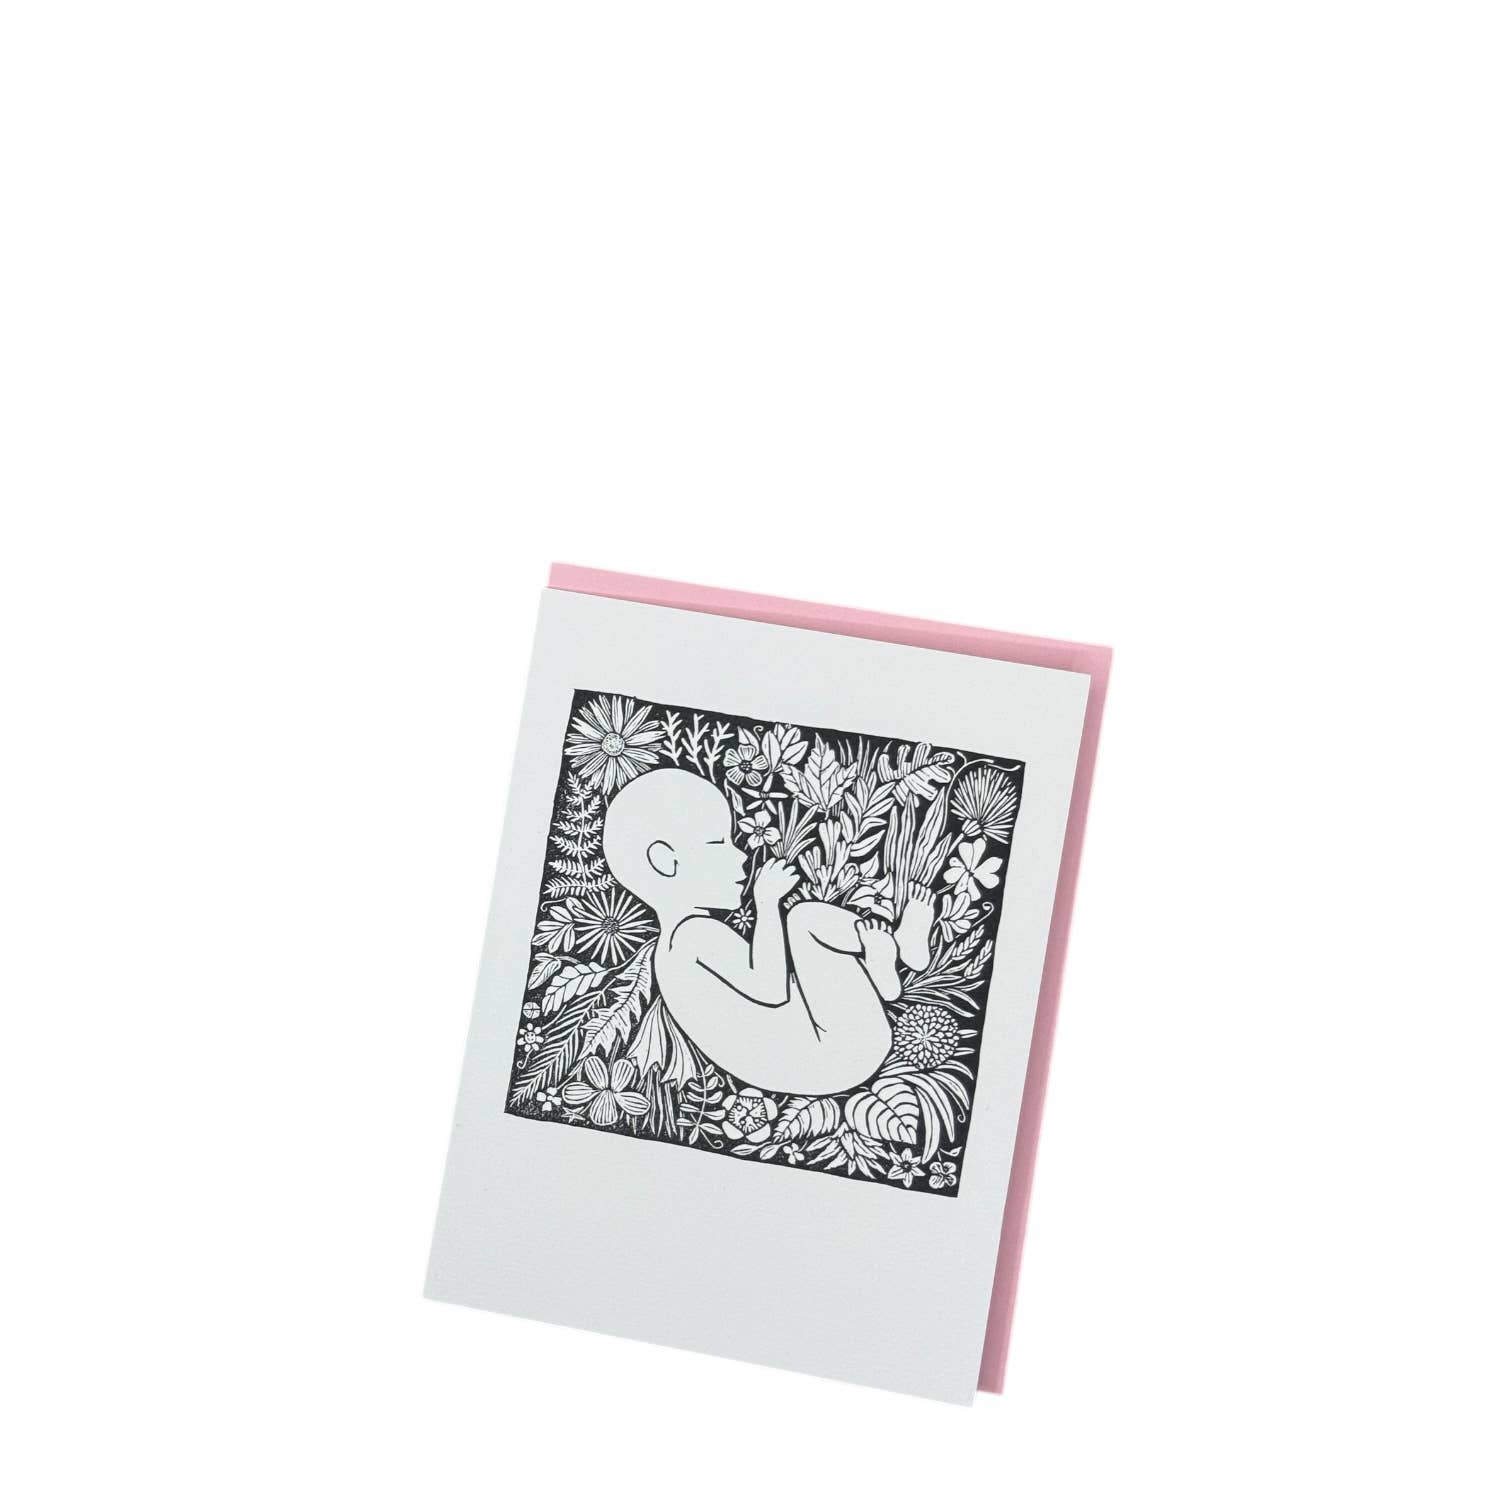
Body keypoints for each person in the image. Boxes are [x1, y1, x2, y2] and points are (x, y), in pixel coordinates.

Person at [602, 768, 933, 1094]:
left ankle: (882, 963)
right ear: (666, 861)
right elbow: (772, 990)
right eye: (719, 842)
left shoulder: (670, 950)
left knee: (810, 947)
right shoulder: (693, 935)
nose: (740, 855)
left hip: (821, 1064)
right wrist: (767, 903)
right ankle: (893, 952)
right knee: (804, 919)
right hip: (837, 1051)